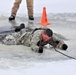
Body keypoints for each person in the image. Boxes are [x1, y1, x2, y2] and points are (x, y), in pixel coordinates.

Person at [0, 24, 68, 53]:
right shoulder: (38, 34)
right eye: (46, 38)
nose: (47, 39)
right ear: (43, 34)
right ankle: (20, 28)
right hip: (22, 38)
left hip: (29, 36)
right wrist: (38, 49)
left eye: (48, 38)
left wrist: (63, 45)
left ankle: (22, 28)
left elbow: (58, 41)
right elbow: (33, 44)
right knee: (6, 40)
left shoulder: (50, 36)